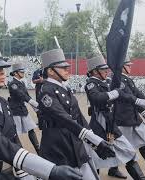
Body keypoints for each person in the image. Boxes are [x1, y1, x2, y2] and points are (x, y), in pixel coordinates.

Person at [0, 39, 83, 180]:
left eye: (3, 68)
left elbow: (13, 139)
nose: (2, 73)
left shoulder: (2, 102)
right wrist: (49, 169)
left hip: (10, 173)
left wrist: (24, 173)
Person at [38, 48, 116, 180]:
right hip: (57, 145)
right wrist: (95, 140)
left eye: (67, 67)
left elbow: (79, 116)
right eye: (62, 68)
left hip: (74, 140)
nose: (67, 70)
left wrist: (93, 143)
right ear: (50, 71)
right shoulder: (46, 91)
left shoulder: (64, 88)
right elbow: (63, 118)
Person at [85, 55, 145, 180]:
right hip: (100, 126)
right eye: (103, 69)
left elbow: (123, 95)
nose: (107, 71)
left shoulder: (106, 81)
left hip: (111, 125)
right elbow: (97, 98)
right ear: (95, 71)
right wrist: (114, 93)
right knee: (95, 158)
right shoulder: (91, 84)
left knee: (129, 153)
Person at [8, 63, 40, 153]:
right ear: (15, 73)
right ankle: (19, 151)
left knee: (31, 129)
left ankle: (38, 149)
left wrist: (36, 109)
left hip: (22, 109)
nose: (23, 73)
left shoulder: (21, 82)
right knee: (16, 133)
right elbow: (21, 95)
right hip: (15, 110)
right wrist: (35, 103)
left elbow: (27, 95)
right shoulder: (12, 84)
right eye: (21, 72)